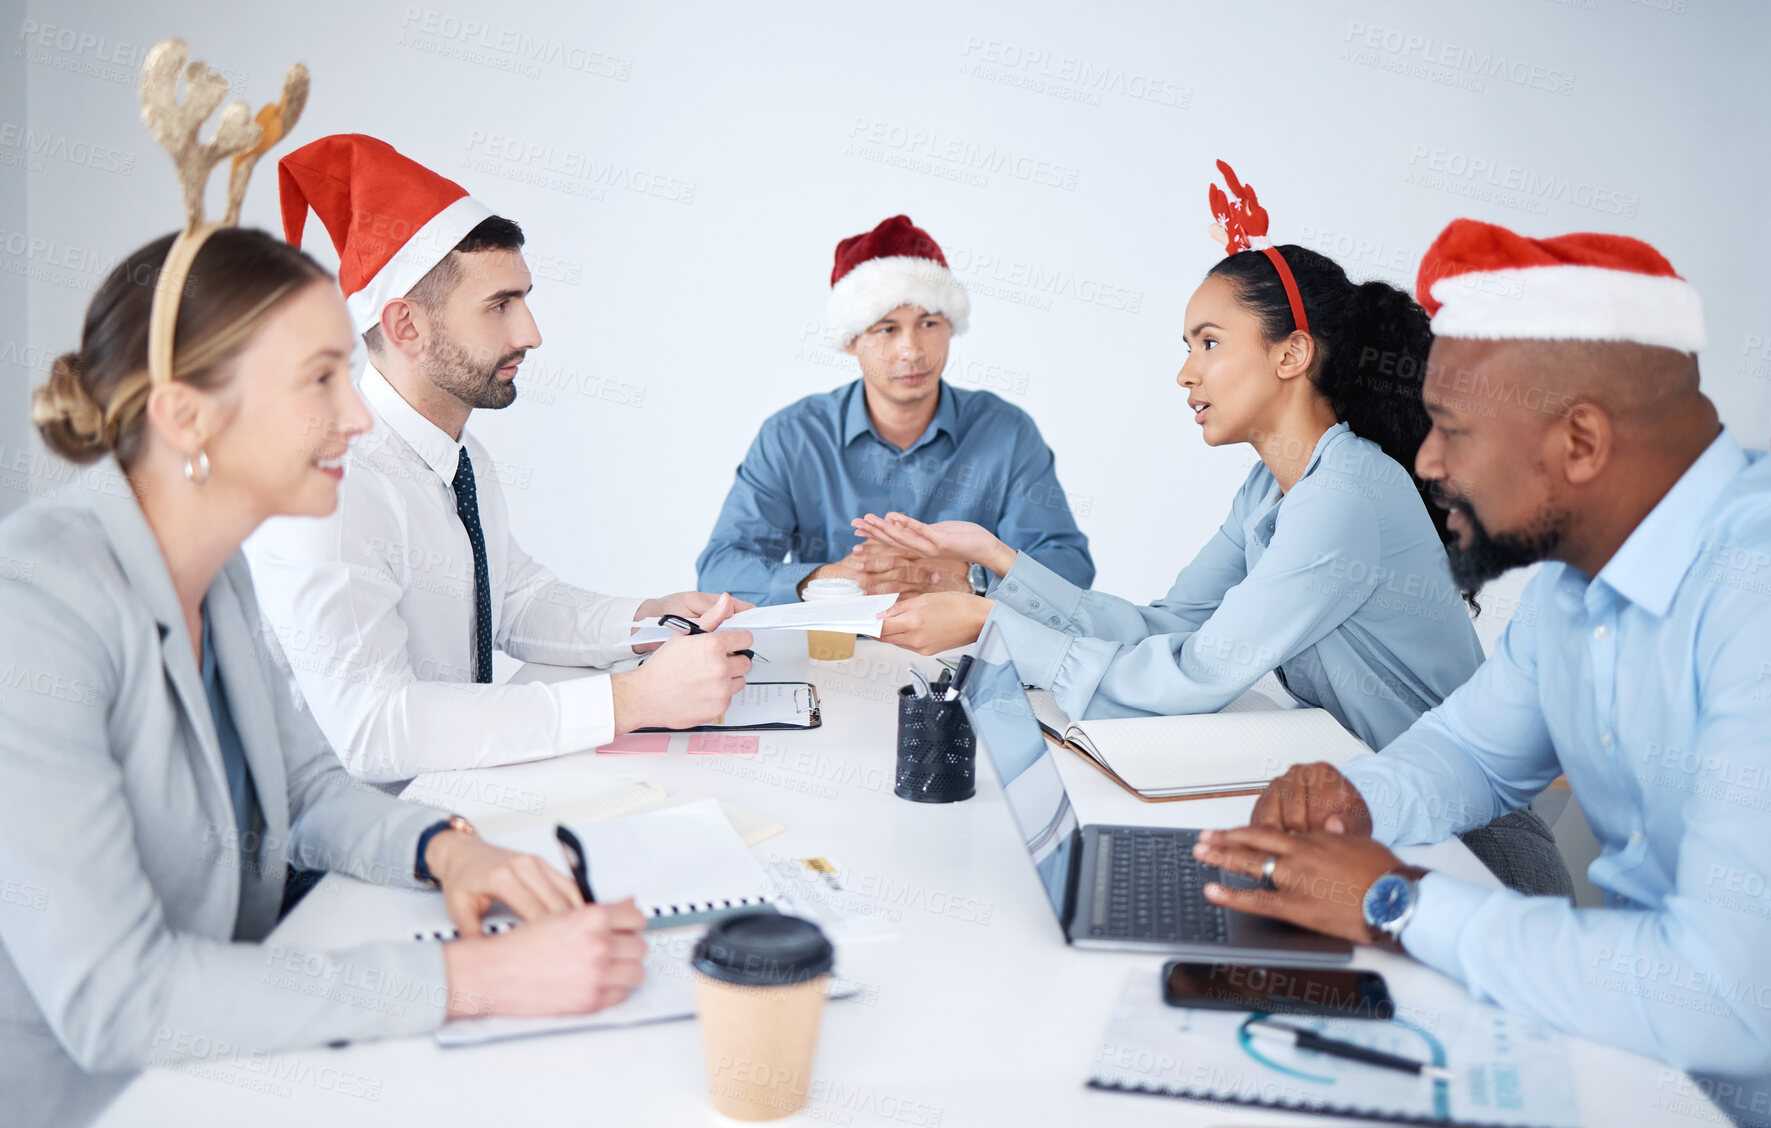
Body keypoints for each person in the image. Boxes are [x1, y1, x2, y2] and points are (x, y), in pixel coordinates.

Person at [0, 53, 647, 1126]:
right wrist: (473, 982)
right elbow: (119, 999)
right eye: (318, 381)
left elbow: (307, 790)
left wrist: (449, 846)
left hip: (232, 1065)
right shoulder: (36, 614)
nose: (357, 418)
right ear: (187, 418)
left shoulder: (217, 575)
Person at [860, 164, 1569, 896]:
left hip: (1467, 855)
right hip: (1371, 828)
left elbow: (1196, 674)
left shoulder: (1345, 498)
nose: (1183, 374)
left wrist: (992, 629)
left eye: (1207, 343)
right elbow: (1167, 624)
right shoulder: (1273, 487)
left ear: (1290, 354)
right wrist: (1001, 563)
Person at [1192, 219, 1771, 1101]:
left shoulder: (1751, 588)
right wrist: (1355, 801)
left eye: (1451, 430)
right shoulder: (1571, 589)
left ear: (1579, 441)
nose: (1425, 460)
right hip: (1628, 1054)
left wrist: (1395, 901)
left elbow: (1726, 995)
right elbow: (1466, 751)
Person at [248, 135, 751, 786]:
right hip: (342, 858)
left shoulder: (460, 459)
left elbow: (514, 600)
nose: (531, 334)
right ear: (405, 327)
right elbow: (371, 727)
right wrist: (631, 701)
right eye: (499, 306)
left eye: (524, 298)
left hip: (451, 806)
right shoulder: (332, 484)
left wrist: (655, 617)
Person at [694, 214, 1094, 606]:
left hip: (967, 664)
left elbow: (1068, 567)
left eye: (929, 323)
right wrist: (836, 578)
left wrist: (971, 577)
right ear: (851, 340)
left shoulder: (1006, 432)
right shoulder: (792, 437)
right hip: (830, 660)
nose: (912, 350)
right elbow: (721, 570)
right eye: (887, 328)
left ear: (951, 327)